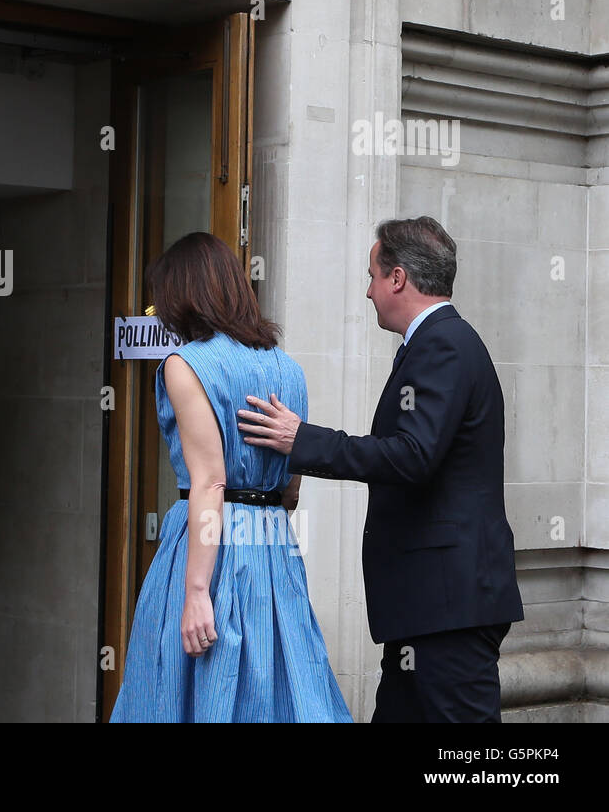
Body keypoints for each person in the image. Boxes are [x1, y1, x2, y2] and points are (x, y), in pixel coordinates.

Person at [237, 216, 523, 722]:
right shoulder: (432, 344)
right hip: (427, 606)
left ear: (397, 279)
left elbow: (412, 456)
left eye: (372, 276)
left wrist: (302, 439)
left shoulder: (444, 344)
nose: (368, 292)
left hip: (447, 608)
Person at [110, 232, 351, 723]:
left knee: (188, 690)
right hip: (272, 546)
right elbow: (291, 488)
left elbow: (209, 483)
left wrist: (197, 590)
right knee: (281, 690)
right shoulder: (288, 368)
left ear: (184, 294)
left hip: (207, 546)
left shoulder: (185, 365)